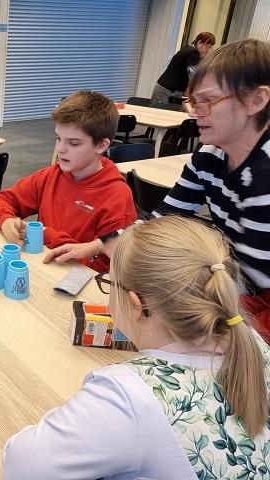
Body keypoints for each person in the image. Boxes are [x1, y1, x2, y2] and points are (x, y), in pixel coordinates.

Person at [2, 215, 270, 479]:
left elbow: (21, 466)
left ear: (136, 305)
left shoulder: (127, 398)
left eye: (109, 283)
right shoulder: (249, 341)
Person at [49, 39, 270, 340]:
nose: (195, 113)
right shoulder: (210, 155)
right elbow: (160, 220)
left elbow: (252, 281)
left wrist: (169, 288)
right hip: (233, 284)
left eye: (208, 101)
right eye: (194, 102)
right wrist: (100, 245)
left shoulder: (264, 175)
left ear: (256, 100)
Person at [0, 90, 137, 272]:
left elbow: (105, 269)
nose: (61, 149)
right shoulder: (52, 174)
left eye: (74, 143)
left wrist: (45, 234)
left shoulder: (117, 197)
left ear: (101, 145)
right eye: (58, 138)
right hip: (42, 268)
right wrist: (5, 220)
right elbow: (0, 200)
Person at [152, 32, 215, 103]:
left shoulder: (189, 49)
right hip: (166, 91)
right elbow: (194, 76)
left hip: (169, 90)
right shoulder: (192, 52)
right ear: (199, 43)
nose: (208, 50)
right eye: (207, 46)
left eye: (210, 47)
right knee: (159, 109)